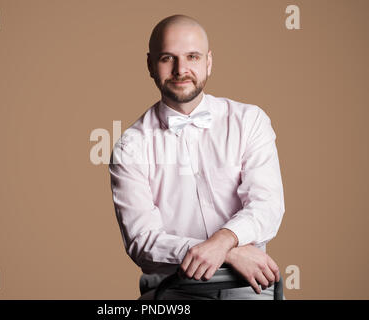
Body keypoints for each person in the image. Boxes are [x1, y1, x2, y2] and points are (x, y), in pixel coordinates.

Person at [108, 14, 285, 300]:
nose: (181, 69)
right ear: (151, 65)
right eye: (168, 58)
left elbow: (267, 206)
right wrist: (229, 253)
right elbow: (142, 242)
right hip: (173, 292)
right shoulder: (130, 146)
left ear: (208, 62)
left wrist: (222, 242)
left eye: (192, 56)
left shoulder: (250, 121)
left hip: (249, 287)